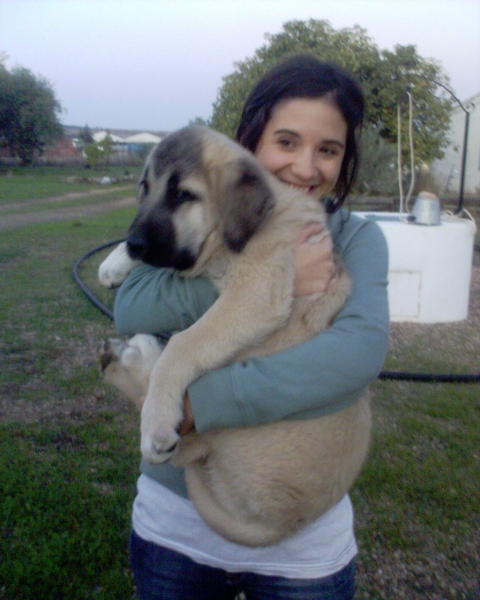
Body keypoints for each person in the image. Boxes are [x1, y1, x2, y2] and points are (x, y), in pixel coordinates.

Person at [114, 54, 390, 600]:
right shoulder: (195, 223)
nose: (306, 168)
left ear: (344, 159)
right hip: (177, 524)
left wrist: (200, 405)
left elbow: (357, 355)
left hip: (302, 545)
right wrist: (266, 282)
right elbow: (133, 308)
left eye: (328, 150)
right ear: (250, 141)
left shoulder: (357, 240)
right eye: (286, 142)